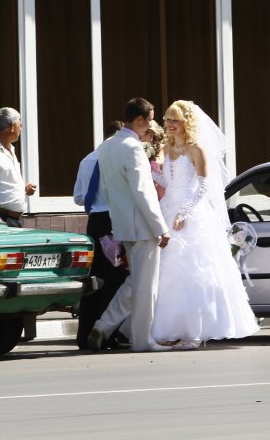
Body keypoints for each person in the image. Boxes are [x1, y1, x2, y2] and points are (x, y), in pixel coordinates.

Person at [150, 100, 259, 350]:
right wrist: (148, 168)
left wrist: (186, 211)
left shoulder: (195, 149)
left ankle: (195, 332)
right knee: (168, 273)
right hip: (169, 209)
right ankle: (168, 329)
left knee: (195, 270)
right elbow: (166, 181)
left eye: (175, 120)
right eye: (167, 120)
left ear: (186, 123)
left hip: (192, 212)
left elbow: (204, 186)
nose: (170, 124)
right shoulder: (166, 148)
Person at [87, 98, 172, 352]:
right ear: (139, 120)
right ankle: (143, 340)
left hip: (124, 224)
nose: (151, 125)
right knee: (147, 287)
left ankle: (104, 325)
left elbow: (112, 190)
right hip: (143, 225)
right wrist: (161, 227)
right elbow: (143, 191)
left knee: (135, 282)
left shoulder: (108, 146)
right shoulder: (133, 148)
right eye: (150, 118)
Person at [73, 121, 130, 350]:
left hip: (94, 222)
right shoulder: (114, 158)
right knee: (115, 278)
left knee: (94, 279)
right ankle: (106, 333)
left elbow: (78, 198)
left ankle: (84, 334)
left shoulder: (87, 159)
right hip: (112, 220)